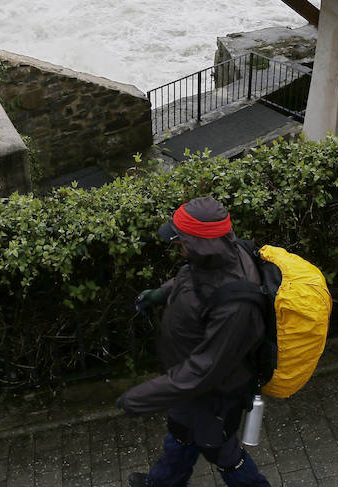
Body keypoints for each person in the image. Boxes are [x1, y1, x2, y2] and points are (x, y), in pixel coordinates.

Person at [116, 197, 272, 487]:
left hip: (215, 394)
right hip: (189, 388)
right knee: (181, 435)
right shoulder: (218, 256)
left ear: (201, 244)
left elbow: (205, 369)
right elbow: (193, 283)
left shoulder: (236, 308)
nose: (177, 247)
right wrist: (160, 294)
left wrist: (140, 398)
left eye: (181, 241)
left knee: (221, 452)